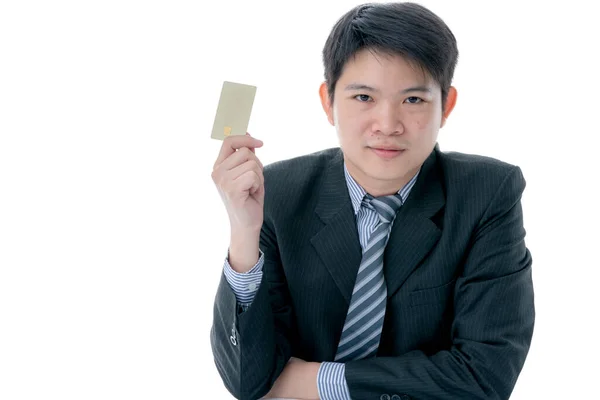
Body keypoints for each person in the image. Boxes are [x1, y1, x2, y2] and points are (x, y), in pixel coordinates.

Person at [209, 2, 534, 399]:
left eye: (413, 100)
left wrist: (322, 381)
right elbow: (248, 381)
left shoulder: (487, 194)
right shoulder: (278, 192)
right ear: (328, 101)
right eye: (363, 97)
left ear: (446, 106)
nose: (388, 124)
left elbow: (485, 378)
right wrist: (244, 235)